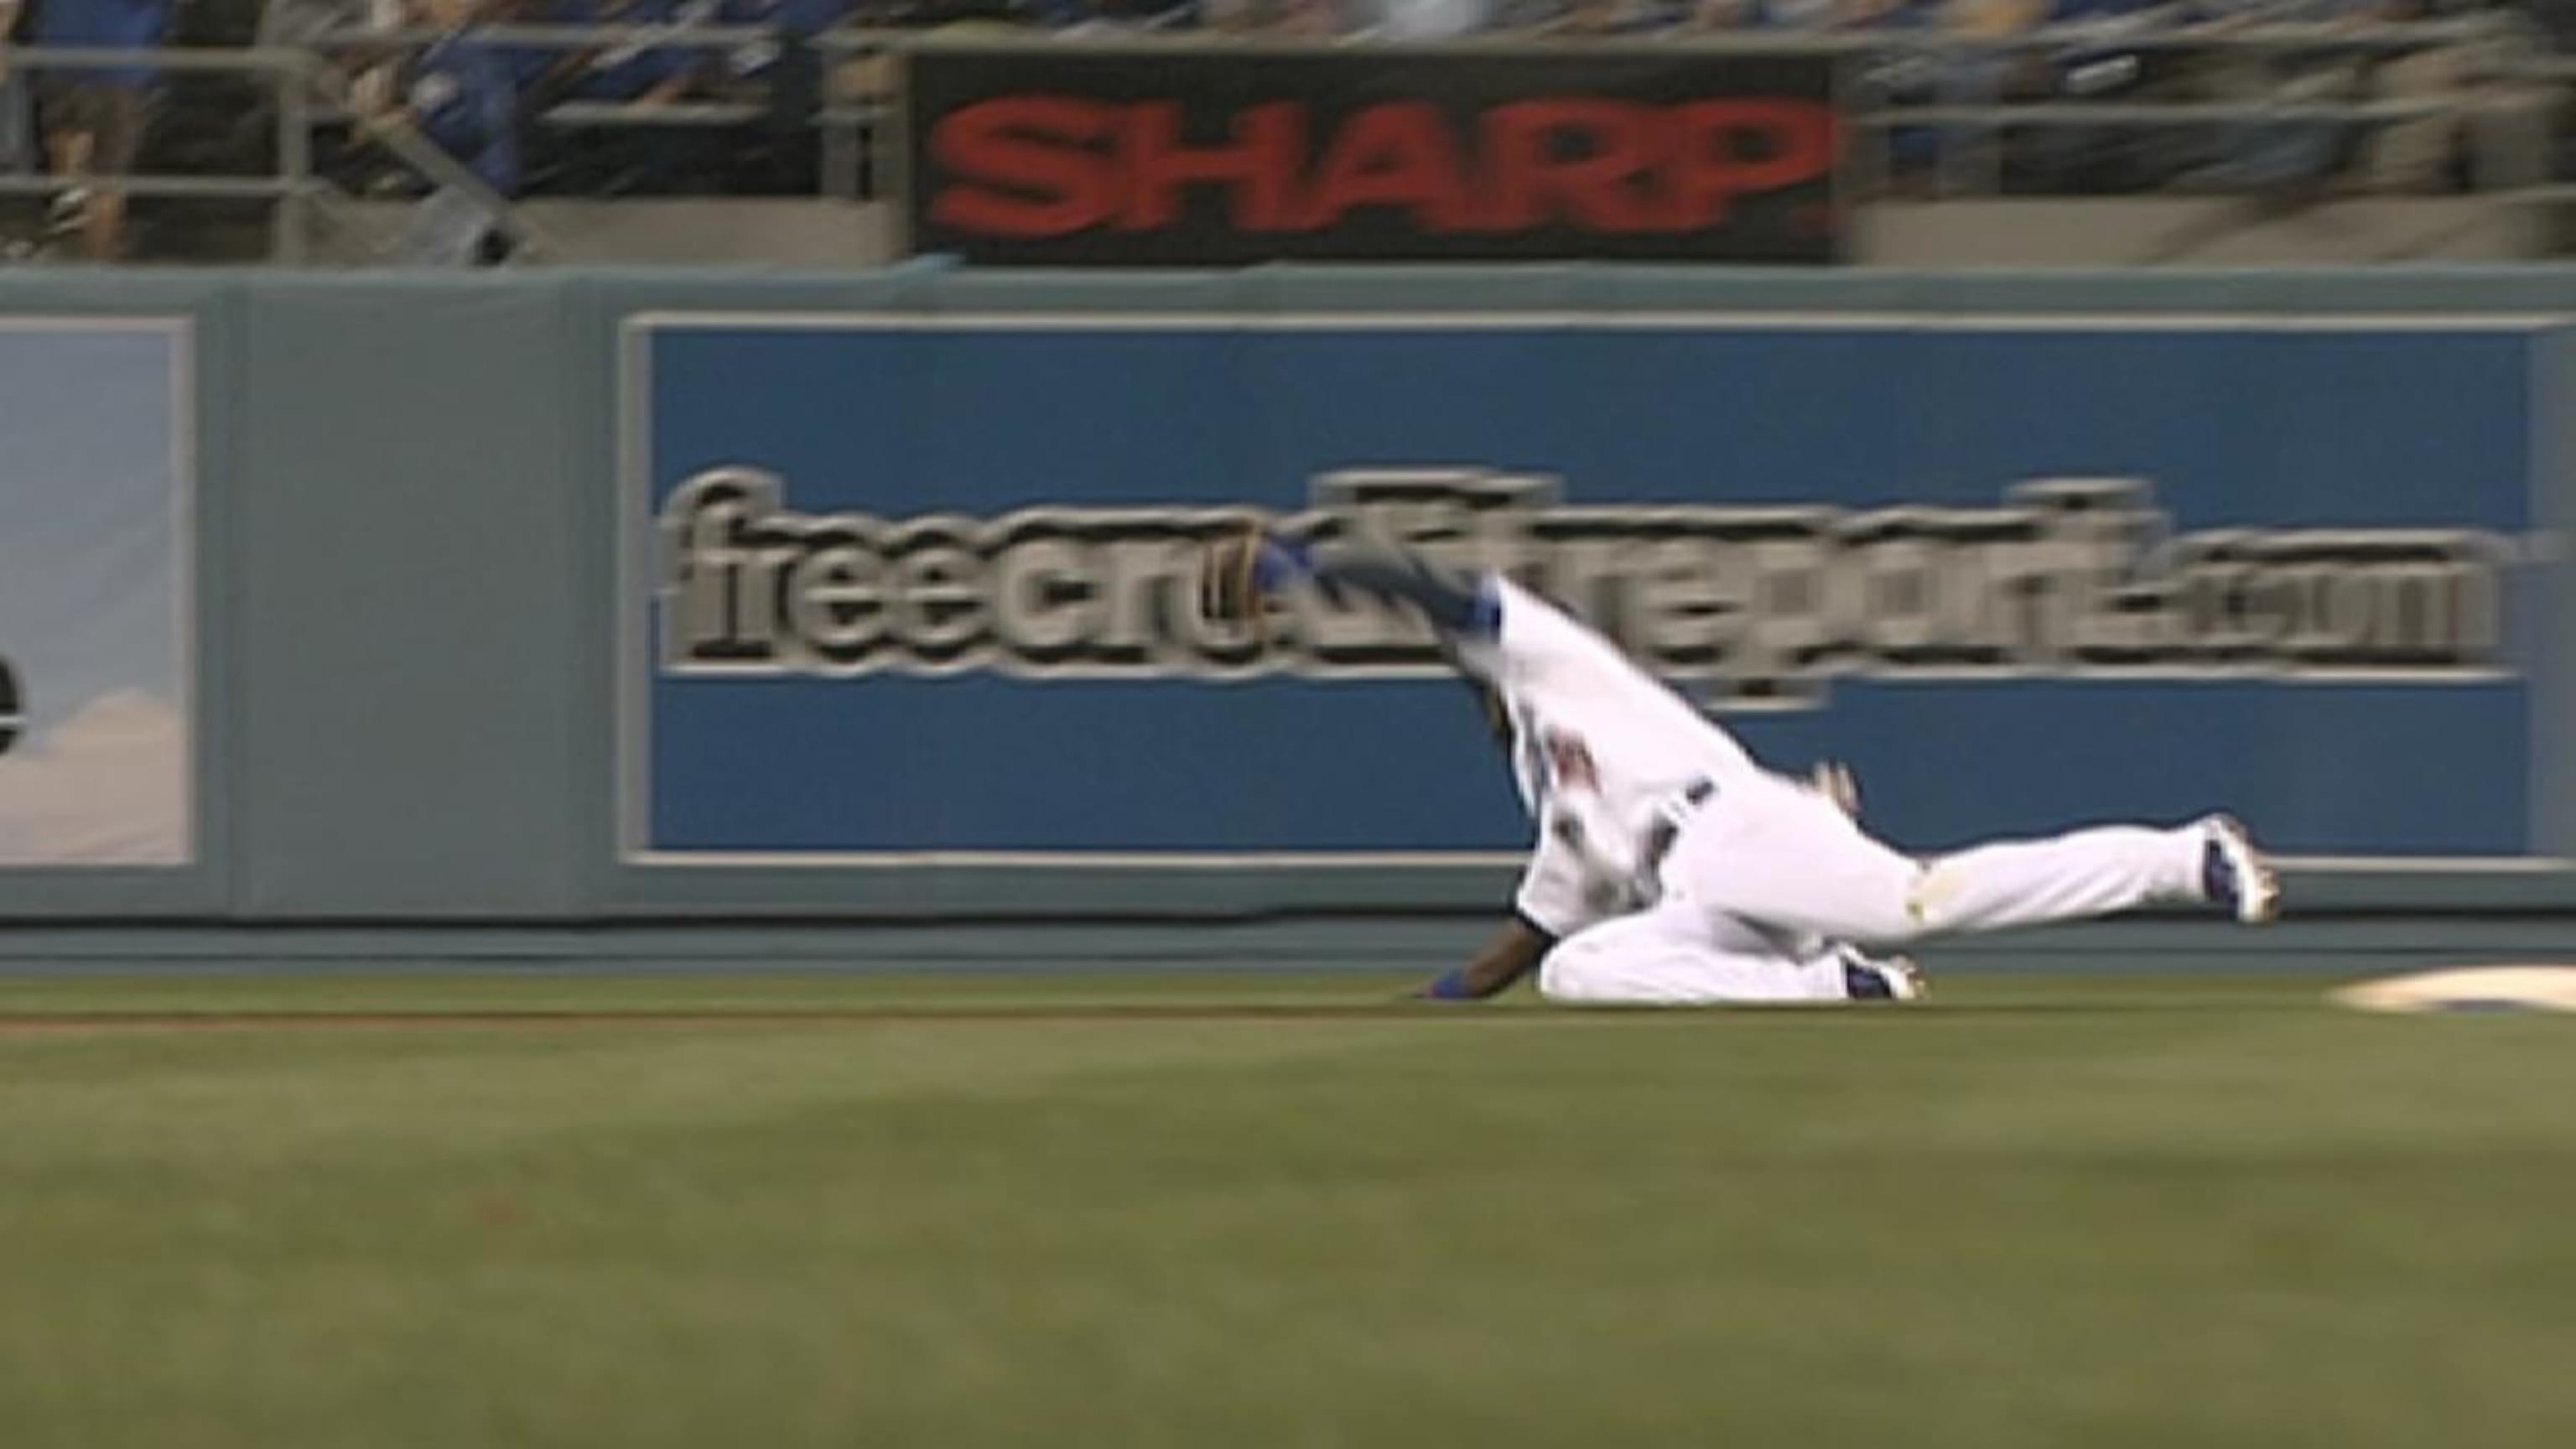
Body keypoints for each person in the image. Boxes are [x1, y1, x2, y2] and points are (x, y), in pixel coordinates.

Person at [1201, 530, 2278, 1007]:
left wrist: (1302, 567)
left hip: (1741, 828)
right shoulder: (1560, 810)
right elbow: (1519, 954)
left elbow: (1438, 593)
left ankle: (2188, 858)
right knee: (1585, 974)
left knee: (1914, 900)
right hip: (1706, 897)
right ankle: (1830, 986)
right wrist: (1420, 1007)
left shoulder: (1560, 671)